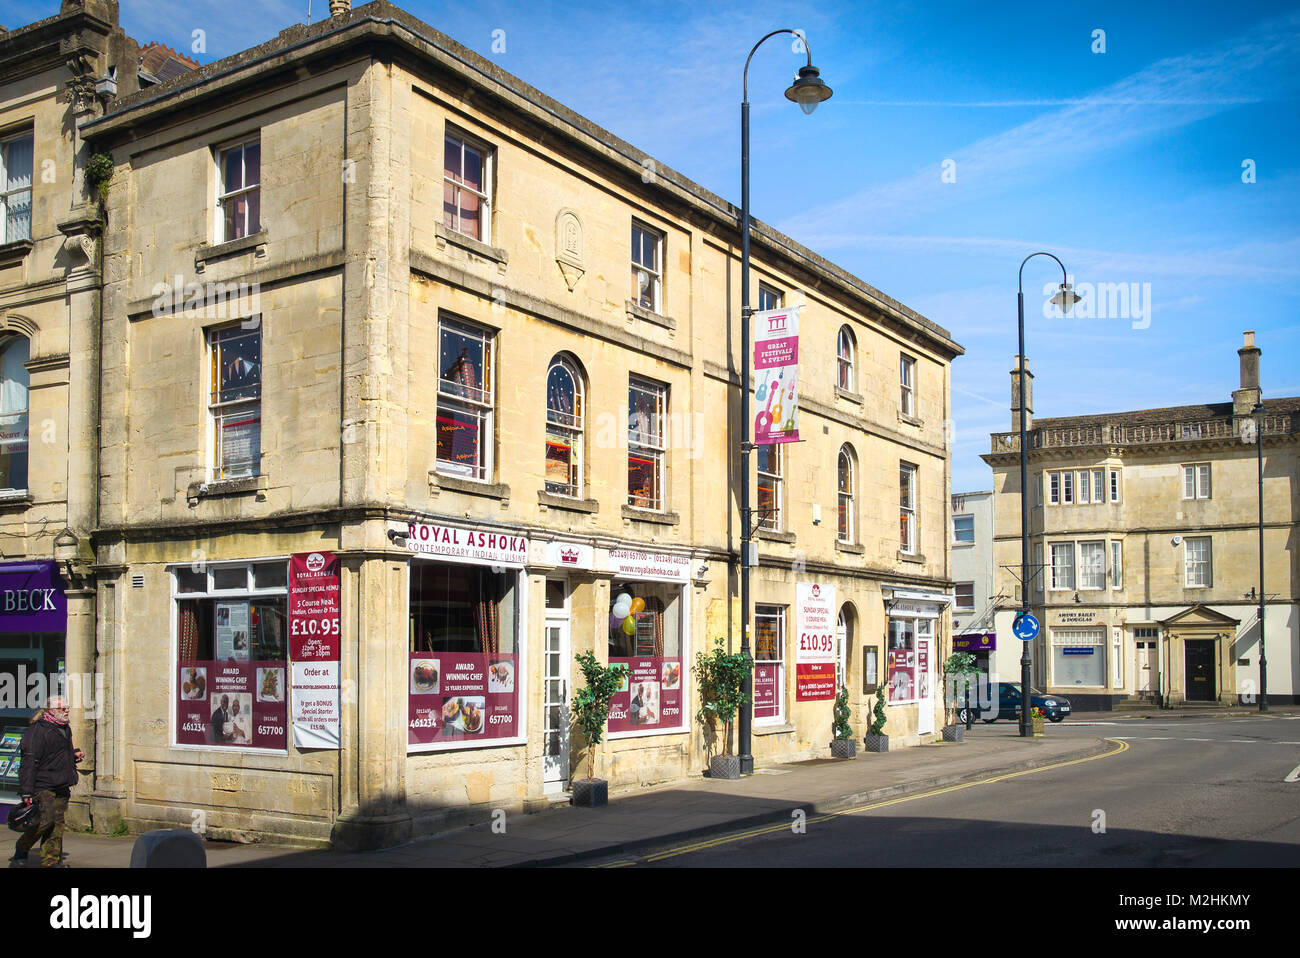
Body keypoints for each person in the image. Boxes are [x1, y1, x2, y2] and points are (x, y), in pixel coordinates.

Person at [11, 697, 84, 868]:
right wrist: (26, 791)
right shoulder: (38, 731)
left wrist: (73, 754)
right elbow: (28, 763)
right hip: (42, 785)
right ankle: (22, 847)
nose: (67, 710)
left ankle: (50, 863)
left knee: (57, 825)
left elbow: (57, 753)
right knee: (45, 822)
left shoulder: (65, 728)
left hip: (61, 783)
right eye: (63, 708)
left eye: (67, 707)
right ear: (51, 711)